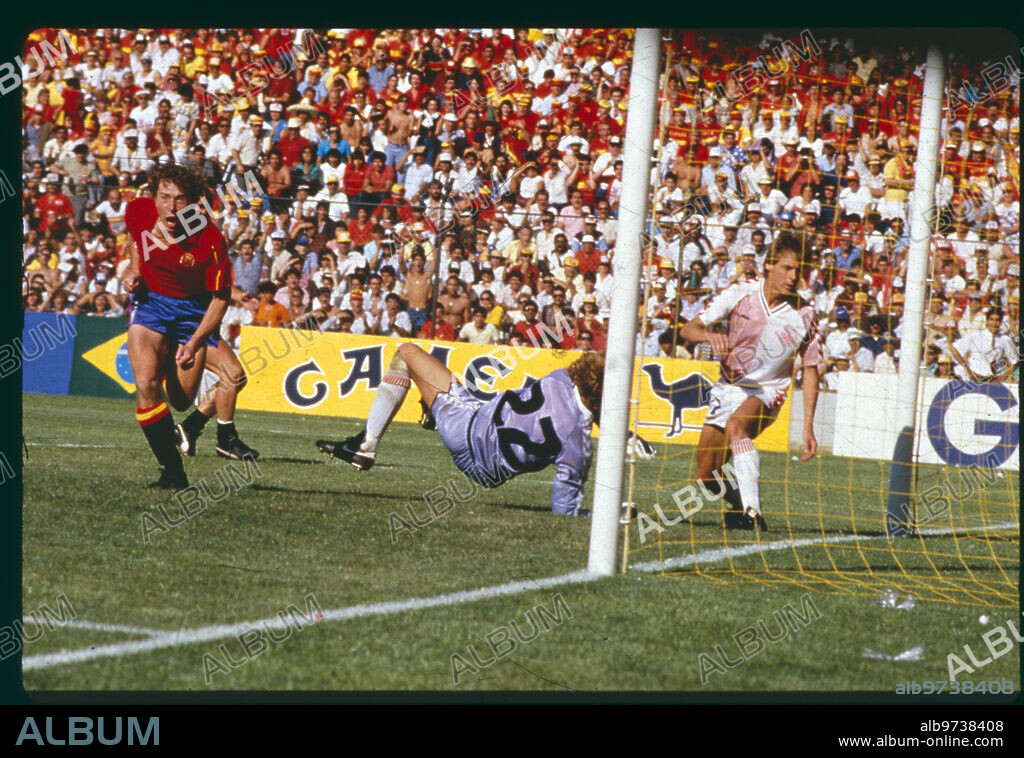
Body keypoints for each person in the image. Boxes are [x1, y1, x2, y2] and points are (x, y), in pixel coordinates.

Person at [315, 346, 604, 516]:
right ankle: (430, 413)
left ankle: (367, 444)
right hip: (483, 451)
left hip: (470, 428)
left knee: (406, 352)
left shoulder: (559, 378)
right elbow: (564, 511)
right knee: (432, 378)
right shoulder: (577, 444)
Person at [678, 233, 823, 531]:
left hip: (768, 391)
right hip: (727, 388)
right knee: (706, 477)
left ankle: (752, 513)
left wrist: (808, 425)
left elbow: (810, 369)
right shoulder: (740, 292)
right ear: (769, 265)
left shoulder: (805, 313)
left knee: (737, 426)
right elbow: (688, 329)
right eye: (787, 268)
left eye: (800, 270)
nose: (794, 277)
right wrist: (708, 335)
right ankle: (737, 506)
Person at [121, 164, 232, 488]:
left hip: (192, 314)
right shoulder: (137, 211)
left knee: (181, 400)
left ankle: (174, 353)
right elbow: (135, 240)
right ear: (153, 196)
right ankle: (173, 472)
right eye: (164, 197)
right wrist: (133, 269)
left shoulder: (210, 238)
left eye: (180, 199)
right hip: (151, 304)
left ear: (195, 202)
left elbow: (220, 299)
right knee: (146, 384)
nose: (171, 206)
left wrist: (195, 342)